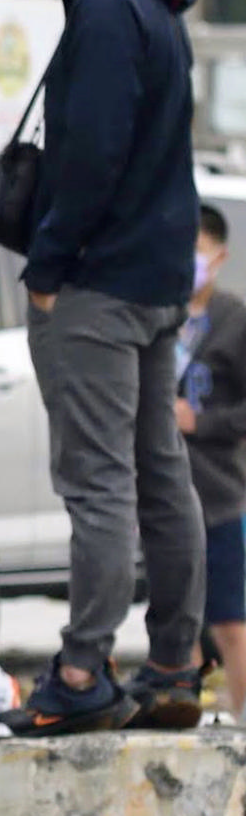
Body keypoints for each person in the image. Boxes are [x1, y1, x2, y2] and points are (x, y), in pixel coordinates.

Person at [0, 0, 204, 737]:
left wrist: (48, 266)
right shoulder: (151, 0)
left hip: (99, 286)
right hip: (154, 281)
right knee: (160, 476)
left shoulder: (113, 9)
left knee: (99, 483)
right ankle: (171, 667)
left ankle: (83, 667)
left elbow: (92, 155)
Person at [170, 205, 246, 723]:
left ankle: (240, 718)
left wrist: (201, 423)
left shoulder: (234, 320)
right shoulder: (160, 314)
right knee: (177, 617)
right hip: (167, 493)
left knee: (229, 621)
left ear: (218, 257)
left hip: (220, 493)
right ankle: (188, 713)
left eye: (195, 249)